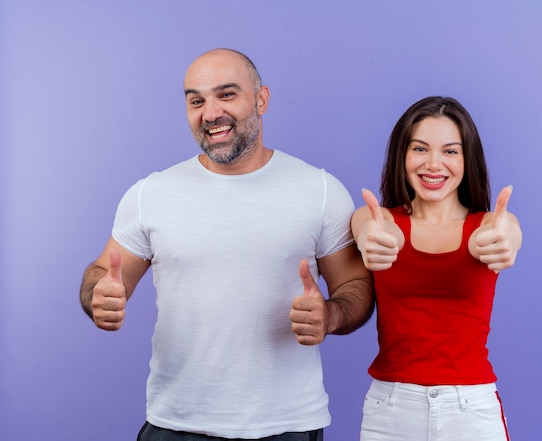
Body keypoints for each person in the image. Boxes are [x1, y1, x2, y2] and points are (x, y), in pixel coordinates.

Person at [79, 48, 374, 441]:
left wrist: (331, 316)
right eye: (196, 100)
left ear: (262, 99)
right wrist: (99, 294)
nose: (210, 112)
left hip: (285, 426)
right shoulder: (151, 193)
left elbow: (356, 287)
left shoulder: (319, 190)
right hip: (175, 423)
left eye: (227, 94)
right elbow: (102, 272)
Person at [351, 96, 522, 441]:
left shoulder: (491, 225)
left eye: (450, 151)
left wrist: (503, 242)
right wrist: (373, 239)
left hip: (471, 410)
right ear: (402, 154)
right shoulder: (379, 221)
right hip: (391, 412)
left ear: (466, 158)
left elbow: (509, 235)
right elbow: (366, 231)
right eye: (420, 148)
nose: (433, 164)